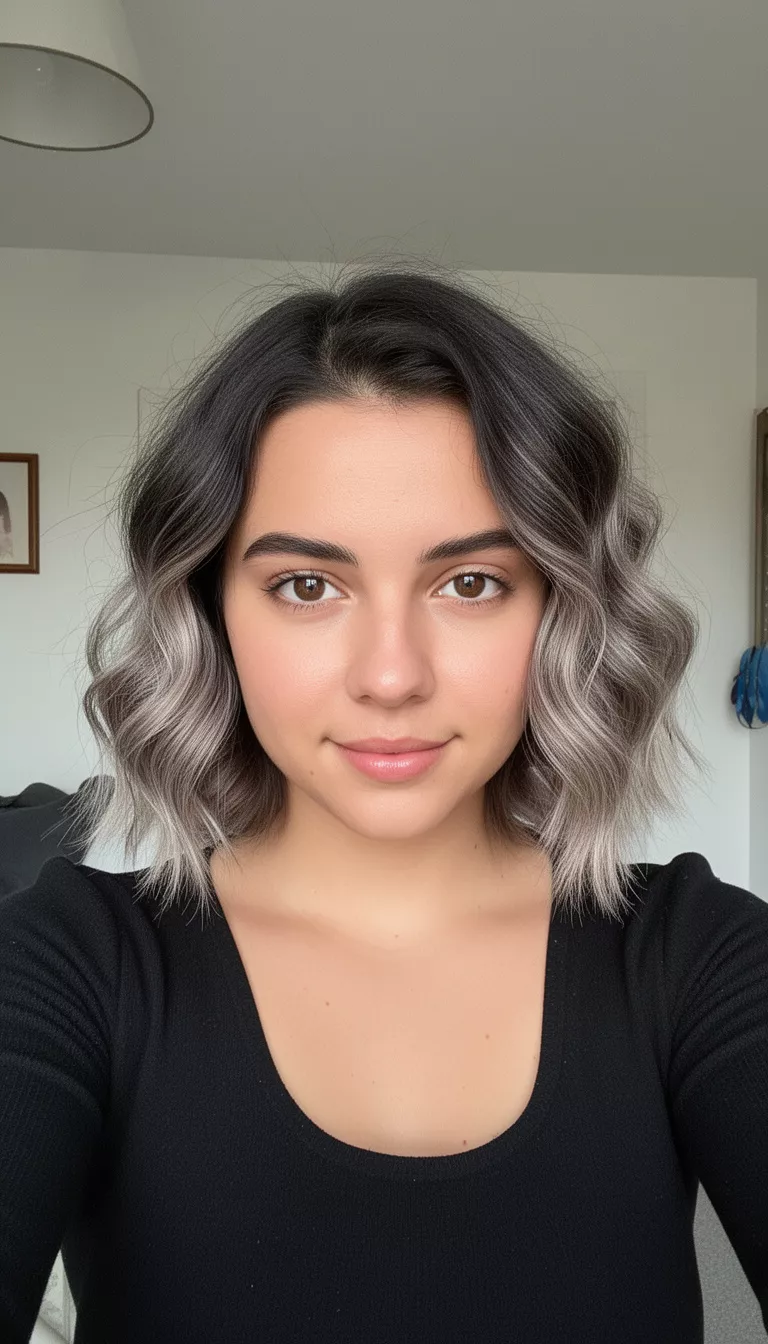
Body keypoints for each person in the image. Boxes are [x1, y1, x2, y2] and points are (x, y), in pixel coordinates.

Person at [1, 257, 766, 1343]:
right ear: (212, 615)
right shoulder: (69, 966)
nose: (392, 674)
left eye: (472, 582)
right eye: (306, 586)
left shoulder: (699, 959)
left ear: (562, 611)